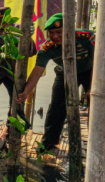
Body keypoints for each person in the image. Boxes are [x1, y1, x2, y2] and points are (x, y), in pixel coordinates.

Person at [16, 13, 95, 151]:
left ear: (69, 29)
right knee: (56, 107)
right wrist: (26, 92)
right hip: (64, 73)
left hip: (90, 72)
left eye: (59, 32)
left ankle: (96, 141)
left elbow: (99, 62)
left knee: (96, 106)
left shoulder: (87, 37)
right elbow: (37, 71)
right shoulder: (47, 49)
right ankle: (49, 141)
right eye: (51, 33)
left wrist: (92, 89)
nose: (55, 36)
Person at [0, 7, 36, 121]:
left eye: (4, 23)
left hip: (14, 72)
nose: (0, 26)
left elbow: (31, 52)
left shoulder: (20, 31)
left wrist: (27, 38)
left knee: (18, 101)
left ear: (11, 23)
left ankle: (13, 128)